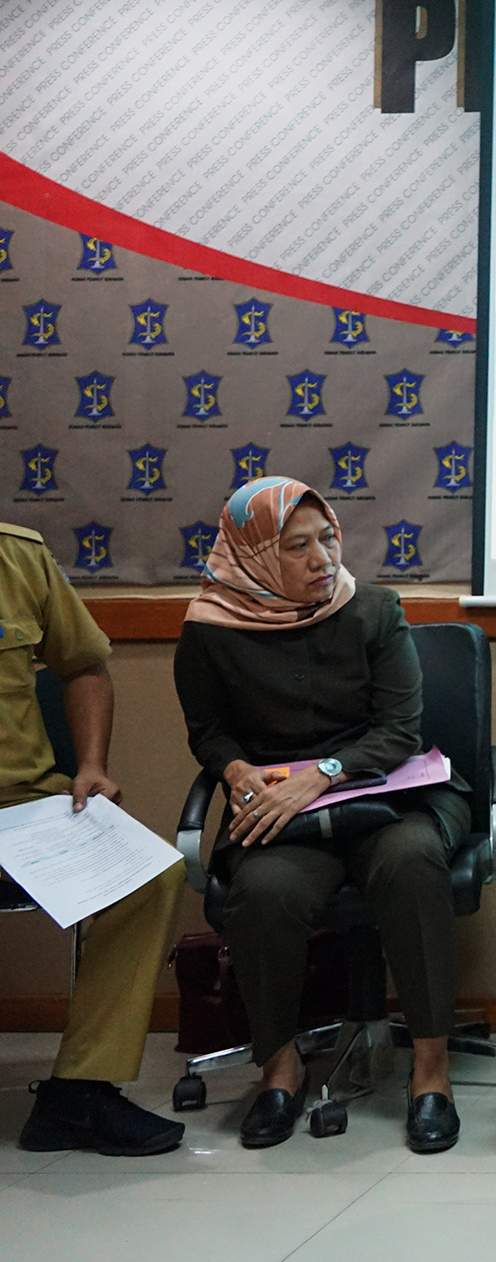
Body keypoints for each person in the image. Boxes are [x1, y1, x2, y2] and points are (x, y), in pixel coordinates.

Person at [173, 477, 472, 1154]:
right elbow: (207, 727)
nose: (323, 558)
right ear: (252, 555)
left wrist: (322, 774)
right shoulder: (211, 629)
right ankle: (279, 1068)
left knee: (413, 862)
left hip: (386, 793)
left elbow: (400, 728)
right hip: (285, 813)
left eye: (328, 537)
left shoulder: (372, 610)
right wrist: (233, 768)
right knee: (265, 890)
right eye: (298, 545)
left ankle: (431, 1073)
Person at [3, 523, 185, 1156]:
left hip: (21, 802)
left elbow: (84, 667)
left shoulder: (17, 557)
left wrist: (91, 766)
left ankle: (79, 1091)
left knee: (150, 875)